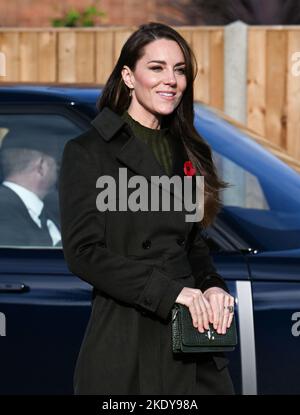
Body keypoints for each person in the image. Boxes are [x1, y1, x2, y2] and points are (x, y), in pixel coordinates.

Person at [58, 22, 235, 395]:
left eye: (179, 69)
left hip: (191, 346)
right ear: (128, 75)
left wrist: (213, 286)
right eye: (156, 67)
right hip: (128, 345)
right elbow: (83, 254)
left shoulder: (187, 149)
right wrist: (170, 293)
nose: (170, 79)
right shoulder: (88, 151)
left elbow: (192, 245)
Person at [0, 133, 61, 246]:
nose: (58, 169)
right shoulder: (4, 214)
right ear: (42, 166)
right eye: (56, 163)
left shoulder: (47, 212)